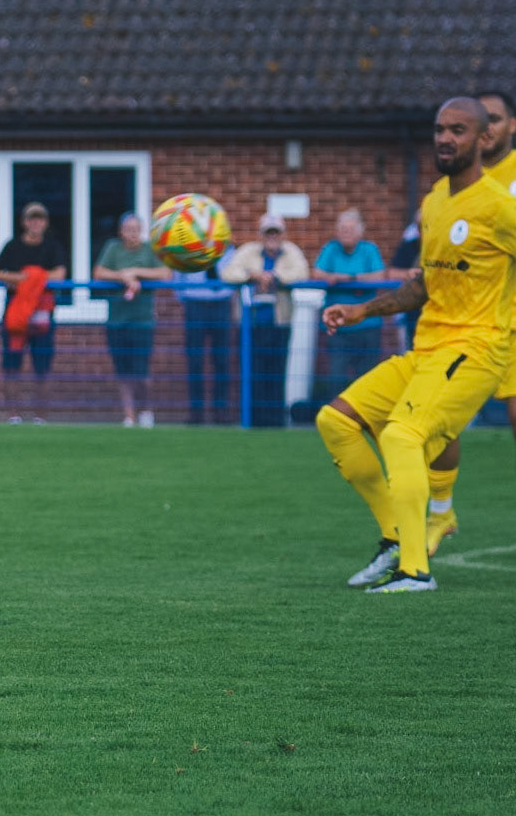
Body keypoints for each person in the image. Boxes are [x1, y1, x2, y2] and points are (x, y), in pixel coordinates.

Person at [316, 96, 516, 594]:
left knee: (401, 436)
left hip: (476, 350)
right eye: (440, 129)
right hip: (428, 349)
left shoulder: (499, 207)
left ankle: (414, 570)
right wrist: (361, 310)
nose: (445, 138)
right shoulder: (434, 203)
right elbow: (424, 285)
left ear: (482, 139)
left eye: (458, 130)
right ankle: (395, 537)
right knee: (336, 422)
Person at [418, 89, 516, 550]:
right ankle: (441, 512)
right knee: (443, 419)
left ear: (510, 126)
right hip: (460, 326)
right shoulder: (449, 187)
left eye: (495, 119)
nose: (489, 128)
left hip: (505, 321)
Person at [219, 213, 308, 427]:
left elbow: (302, 273)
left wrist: (276, 277)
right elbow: (228, 273)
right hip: (251, 325)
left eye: (276, 232)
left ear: (282, 234)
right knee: (253, 372)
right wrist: (253, 275)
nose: (272, 236)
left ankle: (275, 420)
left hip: (280, 323)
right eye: (268, 232)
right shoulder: (248, 251)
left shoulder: (291, 252)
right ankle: (253, 420)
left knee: (277, 372)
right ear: (261, 234)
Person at [0, 202, 67, 423]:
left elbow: (60, 275)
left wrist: (31, 278)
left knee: (42, 368)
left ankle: (40, 416)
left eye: (39, 218)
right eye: (31, 218)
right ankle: (13, 415)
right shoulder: (12, 246)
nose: (35, 223)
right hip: (15, 315)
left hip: (42, 316)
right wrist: (19, 278)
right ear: (24, 222)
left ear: (45, 223)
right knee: (11, 366)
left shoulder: (53, 247)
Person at [92, 212, 171, 427]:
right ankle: (129, 416)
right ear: (121, 232)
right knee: (123, 372)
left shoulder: (149, 250)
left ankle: (145, 412)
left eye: (136, 229)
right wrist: (122, 276)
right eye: (128, 229)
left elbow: (165, 273)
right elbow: (99, 272)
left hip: (142, 320)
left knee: (141, 372)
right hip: (117, 321)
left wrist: (136, 272)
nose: (133, 233)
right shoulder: (113, 248)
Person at [314, 209, 388, 402]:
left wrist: (349, 278)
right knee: (336, 377)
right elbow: (317, 273)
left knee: (367, 377)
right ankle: (335, 413)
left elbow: (379, 276)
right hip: (337, 326)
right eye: (342, 229)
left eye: (350, 229)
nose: (345, 233)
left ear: (360, 232)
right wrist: (332, 277)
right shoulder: (330, 248)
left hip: (367, 325)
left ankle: (365, 413)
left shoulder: (369, 249)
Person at [172, 261, 234, 425]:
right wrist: (184, 296)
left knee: (221, 360)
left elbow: (234, 271)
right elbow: (179, 272)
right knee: (194, 360)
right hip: (195, 302)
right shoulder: (189, 249)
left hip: (221, 302)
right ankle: (196, 411)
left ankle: (220, 410)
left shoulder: (226, 250)